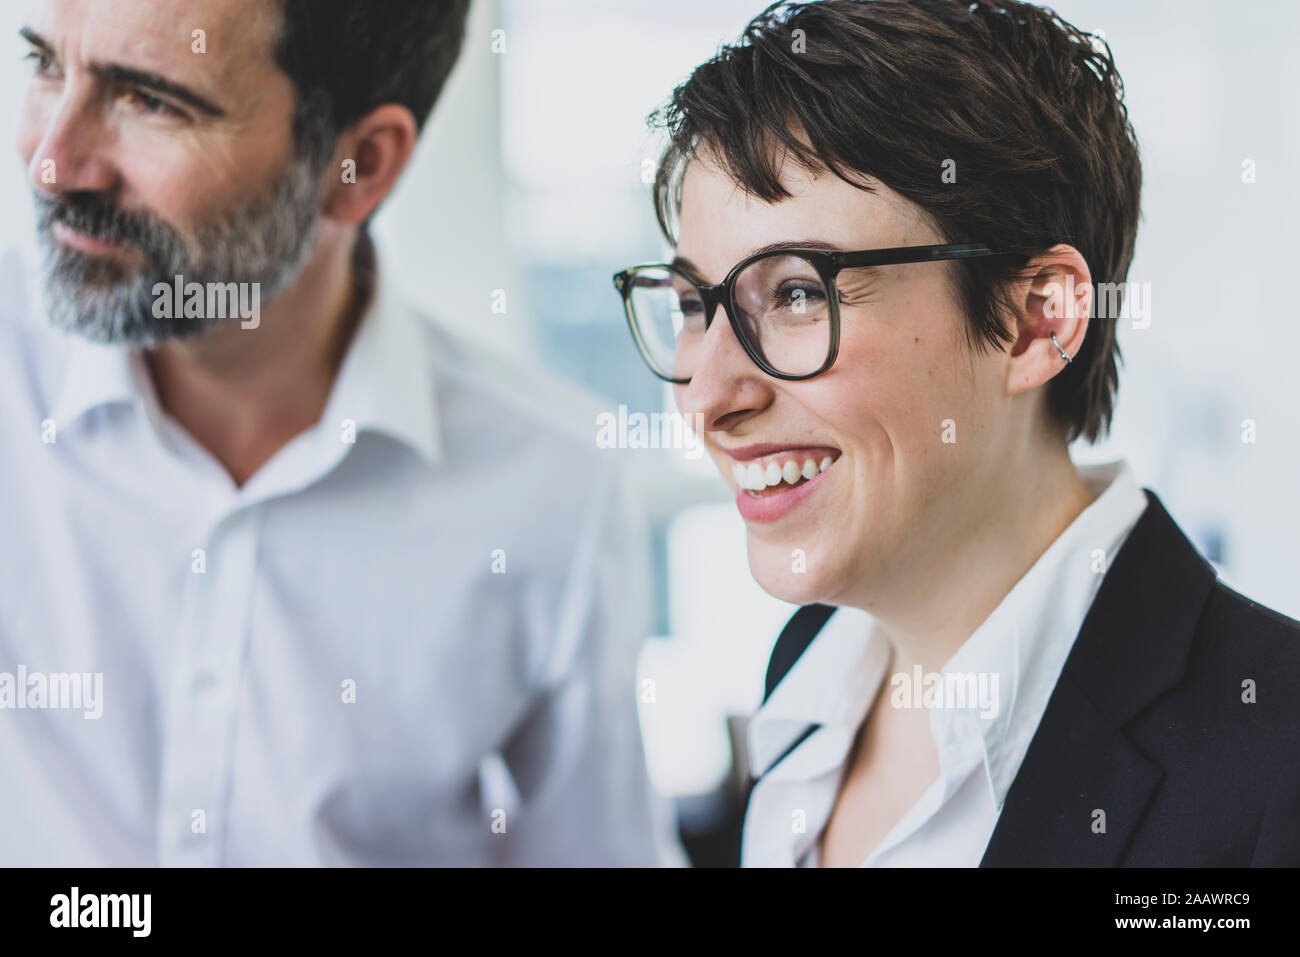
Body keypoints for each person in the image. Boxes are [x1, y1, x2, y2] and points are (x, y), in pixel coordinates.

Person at [614, 0, 1300, 866]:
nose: (707, 395)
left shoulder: (1275, 767)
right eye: (690, 305)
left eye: (794, 293)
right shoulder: (808, 664)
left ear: (1035, 319)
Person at [1, 0, 680, 866]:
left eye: (152, 102)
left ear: (359, 164)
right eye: (46, 64)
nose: (55, 161)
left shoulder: (556, 485)